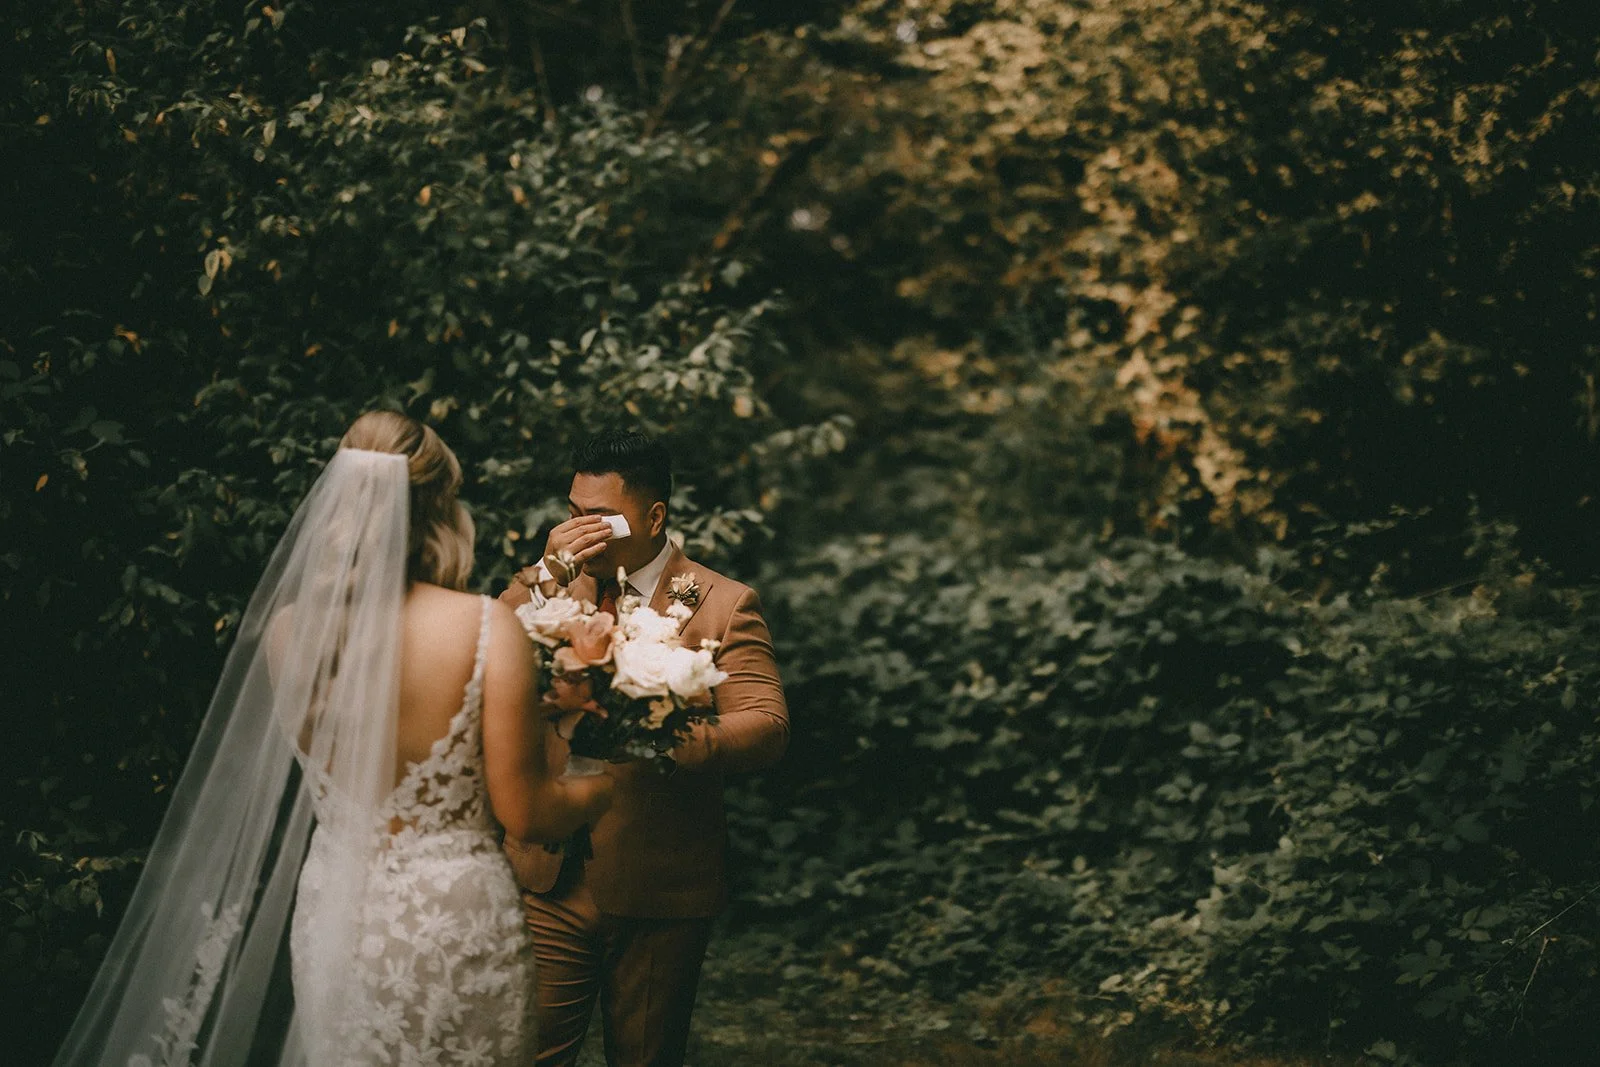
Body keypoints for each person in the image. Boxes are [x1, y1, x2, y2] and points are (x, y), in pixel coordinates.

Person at [53, 411, 612, 1067]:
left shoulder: (289, 630)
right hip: (454, 917)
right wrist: (600, 786)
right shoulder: (483, 626)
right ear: (438, 507)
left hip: (335, 912)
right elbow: (529, 812)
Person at [498, 430, 788, 1067]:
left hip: (658, 885)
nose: (582, 534)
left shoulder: (723, 603)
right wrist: (546, 572)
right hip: (548, 875)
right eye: (574, 515)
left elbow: (766, 724)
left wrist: (673, 739)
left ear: (654, 517)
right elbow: (480, 654)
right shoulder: (551, 587)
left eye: (601, 519)